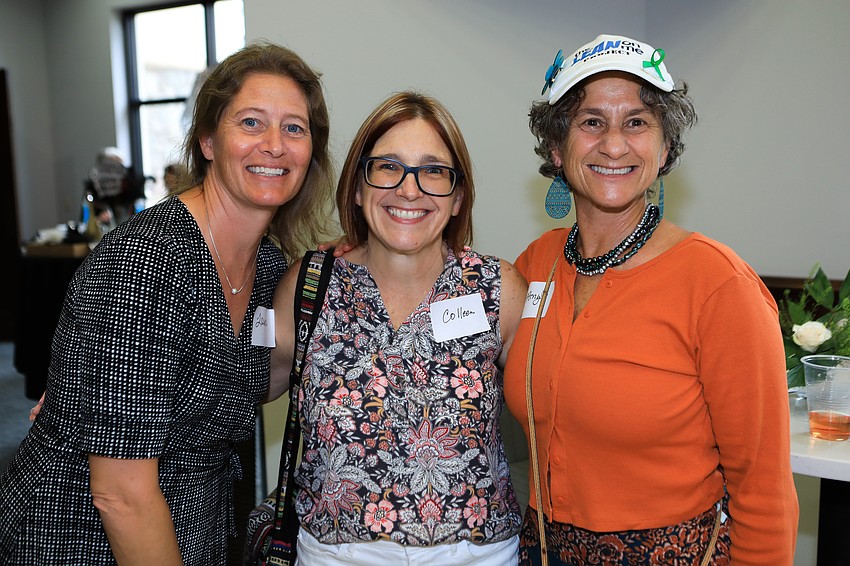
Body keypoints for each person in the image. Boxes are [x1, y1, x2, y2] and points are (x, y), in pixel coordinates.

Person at [0, 41, 333, 565]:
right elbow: (121, 492)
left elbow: (242, 379)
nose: (274, 145)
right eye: (250, 123)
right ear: (206, 140)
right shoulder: (146, 262)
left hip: (195, 524)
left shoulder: (269, 266)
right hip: (83, 534)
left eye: (295, 128)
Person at [503, 34, 799, 564]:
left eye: (636, 122)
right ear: (556, 147)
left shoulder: (718, 284)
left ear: (664, 150)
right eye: (591, 121)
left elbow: (764, 486)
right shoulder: (535, 265)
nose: (613, 145)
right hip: (543, 550)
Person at [268, 91, 527, 565]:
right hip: (334, 552)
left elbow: (551, 407)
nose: (410, 190)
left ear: (457, 199)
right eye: (388, 167)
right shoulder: (309, 286)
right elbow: (247, 384)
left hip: (477, 553)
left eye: (433, 171)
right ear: (358, 188)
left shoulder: (498, 289)